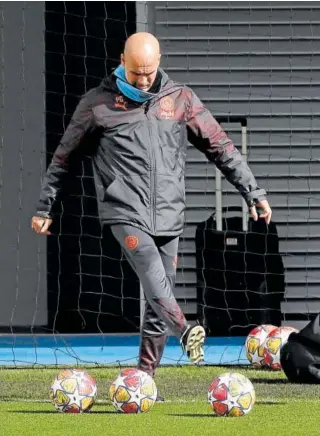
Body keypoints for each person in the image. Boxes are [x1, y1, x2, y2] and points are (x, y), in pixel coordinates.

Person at [31, 32, 272, 393]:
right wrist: (45, 205)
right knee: (151, 274)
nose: (142, 80)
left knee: (161, 297)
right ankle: (187, 330)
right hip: (124, 210)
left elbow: (221, 147)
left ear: (159, 60)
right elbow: (64, 158)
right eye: (135, 73)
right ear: (121, 62)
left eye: (148, 72)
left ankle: (144, 378)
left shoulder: (180, 99)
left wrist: (252, 191)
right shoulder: (97, 104)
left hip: (170, 212)